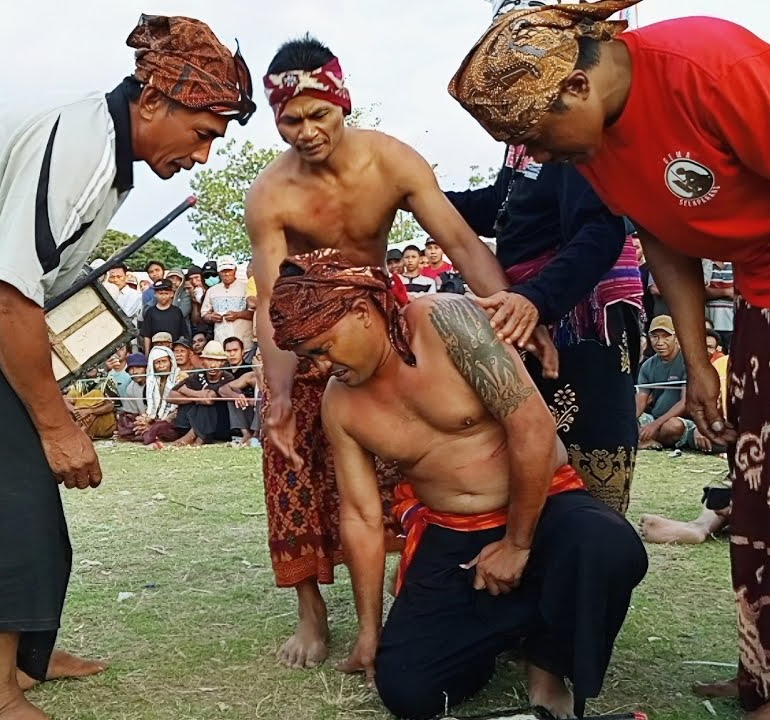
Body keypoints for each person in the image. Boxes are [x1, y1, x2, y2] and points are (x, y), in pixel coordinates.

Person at [449, 3, 770, 716]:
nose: (538, 158)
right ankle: (766, 665)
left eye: (535, 137)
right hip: (764, 273)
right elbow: (666, 237)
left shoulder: (710, 64)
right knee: (757, 467)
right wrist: (698, 362)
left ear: (576, 87)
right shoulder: (596, 142)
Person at [0, 15, 256, 720]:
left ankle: (28, 658)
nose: (204, 156)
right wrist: (56, 422)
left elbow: (22, 290)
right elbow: (10, 294)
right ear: (152, 102)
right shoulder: (82, 143)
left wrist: (54, 420)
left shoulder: (102, 150)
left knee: (25, 487)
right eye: (204, 133)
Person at [246, 34, 549, 670]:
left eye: (318, 114)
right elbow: (274, 299)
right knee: (290, 456)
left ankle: (410, 576)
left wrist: (525, 315)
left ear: (343, 102)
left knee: (403, 453)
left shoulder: (392, 162)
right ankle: (310, 612)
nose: (305, 131)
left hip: (381, 323)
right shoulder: (270, 195)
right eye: (290, 120)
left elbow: (464, 246)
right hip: (303, 333)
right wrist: (277, 393)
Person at [268, 251, 646, 719]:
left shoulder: (446, 320)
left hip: (544, 505)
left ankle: (547, 665)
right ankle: (504, 631)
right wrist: (370, 631)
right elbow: (362, 517)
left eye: (323, 348)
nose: (321, 367)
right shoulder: (340, 405)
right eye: (308, 358)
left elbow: (532, 428)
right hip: (452, 531)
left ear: (361, 312)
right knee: (407, 690)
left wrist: (517, 543)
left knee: (608, 545)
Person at [444, 45, 643, 510]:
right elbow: (505, 208)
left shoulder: (571, 133)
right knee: (533, 444)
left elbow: (599, 229)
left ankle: (592, 550)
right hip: (537, 302)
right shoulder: (525, 139)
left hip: (582, 311)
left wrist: (536, 299)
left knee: (588, 446)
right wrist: (418, 194)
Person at [634, 315, 693, 450]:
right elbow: (640, 400)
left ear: (676, 337)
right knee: (625, 421)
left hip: (678, 420)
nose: (660, 342)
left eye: (666, 336)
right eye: (655, 337)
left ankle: (647, 439)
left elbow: (685, 402)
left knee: (673, 427)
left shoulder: (687, 361)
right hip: (654, 417)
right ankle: (648, 439)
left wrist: (655, 425)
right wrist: (629, 420)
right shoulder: (647, 365)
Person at [200, 255, 255, 350]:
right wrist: (211, 317)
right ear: (218, 272)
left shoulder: (246, 288)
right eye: (223, 271)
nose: (226, 274)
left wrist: (238, 315)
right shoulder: (212, 291)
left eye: (229, 270)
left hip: (244, 343)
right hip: (221, 343)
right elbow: (204, 314)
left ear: (235, 270)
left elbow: (254, 313)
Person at [140, 279, 190, 352]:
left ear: (171, 294)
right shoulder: (150, 312)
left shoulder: (176, 312)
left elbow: (182, 334)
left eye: (166, 293)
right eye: (160, 293)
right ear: (155, 294)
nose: (163, 296)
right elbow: (147, 336)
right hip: (155, 351)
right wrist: (147, 355)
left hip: (173, 350)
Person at [115, 352, 152, 441]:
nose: (135, 372)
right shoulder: (130, 388)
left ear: (146, 368)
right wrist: (140, 420)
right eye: (131, 369)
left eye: (139, 368)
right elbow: (132, 413)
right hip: (141, 418)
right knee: (124, 421)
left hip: (157, 417)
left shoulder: (155, 383)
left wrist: (149, 419)